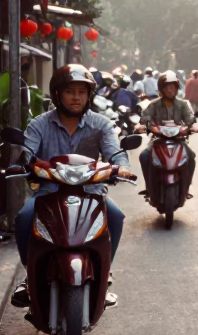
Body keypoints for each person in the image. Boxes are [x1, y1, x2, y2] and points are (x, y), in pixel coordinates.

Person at [12, 64, 132, 309]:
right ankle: (30, 274)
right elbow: (27, 152)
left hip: (92, 194)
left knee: (116, 217)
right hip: (49, 193)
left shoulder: (101, 124)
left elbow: (115, 152)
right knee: (24, 217)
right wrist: (26, 162)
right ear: (57, 94)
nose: (76, 97)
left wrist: (120, 166)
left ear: (89, 96)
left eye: (82, 91)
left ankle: (104, 270)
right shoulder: (39, 124)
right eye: (70, 91)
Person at [139, 71, 198, 193]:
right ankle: (149, 186)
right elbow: (145, 117)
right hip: (157, 140)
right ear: (162, 89)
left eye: (173, 86)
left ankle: (186, 186)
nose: (170, 90)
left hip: (178, 140)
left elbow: (188, 117)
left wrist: (191, 127)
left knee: (191, 157)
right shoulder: (154, 104)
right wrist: (146, 125)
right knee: (144, 156)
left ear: (177, 88)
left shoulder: (182, 104)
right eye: (167, 87)